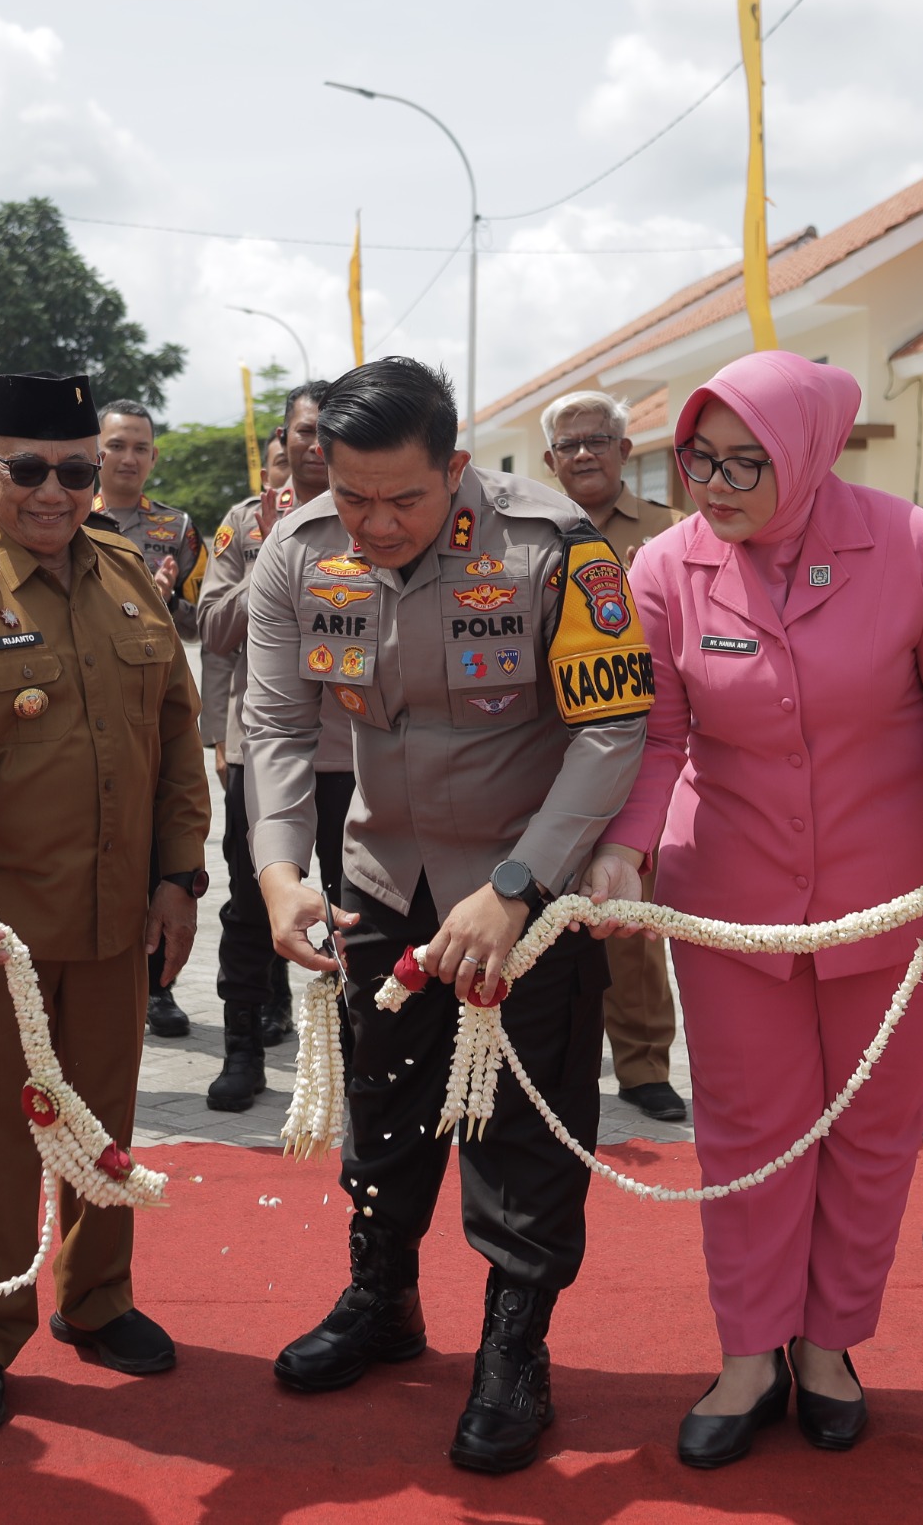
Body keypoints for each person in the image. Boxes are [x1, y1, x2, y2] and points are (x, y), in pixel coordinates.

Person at [581, 350, 923, 1467]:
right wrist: (624, 852)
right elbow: (657, 736)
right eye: (696, 461)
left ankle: (829, 1344)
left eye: (742, 463)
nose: (712, 486)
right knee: (749, 1136)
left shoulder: (912, 549)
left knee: (868, 1132)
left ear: (807, 452)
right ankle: (748, 1348)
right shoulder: (667, 565)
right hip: (731, 906)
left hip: (886, 897)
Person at [247, 357, 650, 1475]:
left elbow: (613, 729)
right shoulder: (299, 548)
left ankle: (515, 1352)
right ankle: (381, 1301)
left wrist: (517, 886)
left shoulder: (558, 545)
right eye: (350, 492)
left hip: (526, 881)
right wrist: (282, 869)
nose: (371, 522)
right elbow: (277, 725)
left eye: (401, 499)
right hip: (382, 877)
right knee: (382, 1106)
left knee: (519, 1125)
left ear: (457, 467)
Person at [0, 370, 212, 1431]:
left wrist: (180, 874)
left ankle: (98, 1298)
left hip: (113, 910)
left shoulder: (127, 575)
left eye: (74, 469)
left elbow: (173, 732)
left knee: (101, 1117)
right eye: (26, 468)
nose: (53, 491)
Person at [198, 393, 352, 1111]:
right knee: (251, 909)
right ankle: (242, 1049)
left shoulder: (377, 513)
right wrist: (278, 556)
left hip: (362, 757)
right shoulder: (243, 523)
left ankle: (365, 1053)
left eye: (332, 433)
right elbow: (214, 626)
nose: (318, 446)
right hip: (266, 754)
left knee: (361, 911)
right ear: (284, 440)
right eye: (305, 432)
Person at [540, 389, 687, 1125]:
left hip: (640, 747)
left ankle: (643, 1064)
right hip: (545, 749)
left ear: (626, 451)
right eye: (569, 445)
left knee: (627, 912)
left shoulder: (673, 531)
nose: (584, 454)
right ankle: (555, 1058)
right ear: (549, 460)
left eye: (599, 440)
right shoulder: (525, 533)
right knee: (546, 911)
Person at [88, 398, 209, 1040]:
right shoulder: (72, 513)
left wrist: (166, 599)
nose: (128, 457)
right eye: (117, 446)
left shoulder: (178, 528)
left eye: (140, 447)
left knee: (164, 836)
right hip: (87, 696)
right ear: (95, 452)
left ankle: (160, 985)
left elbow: (199, 619)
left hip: (155, 692)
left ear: (153, 456)